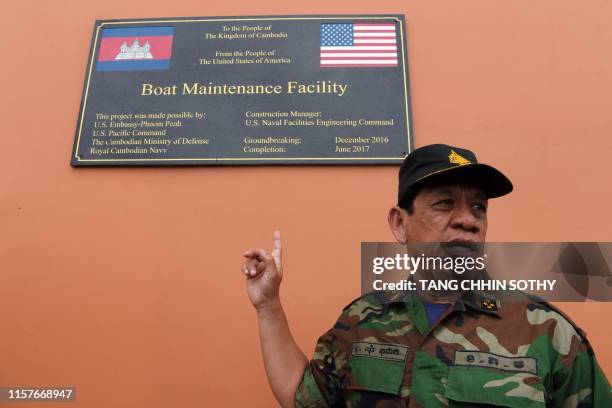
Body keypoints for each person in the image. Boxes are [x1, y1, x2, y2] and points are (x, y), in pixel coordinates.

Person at [242, 144, 611, 407]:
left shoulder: (546, 331)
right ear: (399, 224)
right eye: (445, 203)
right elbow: (303, 397)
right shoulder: (362, 320)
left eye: (478, 207)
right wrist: (267, 304)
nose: (468, 219)